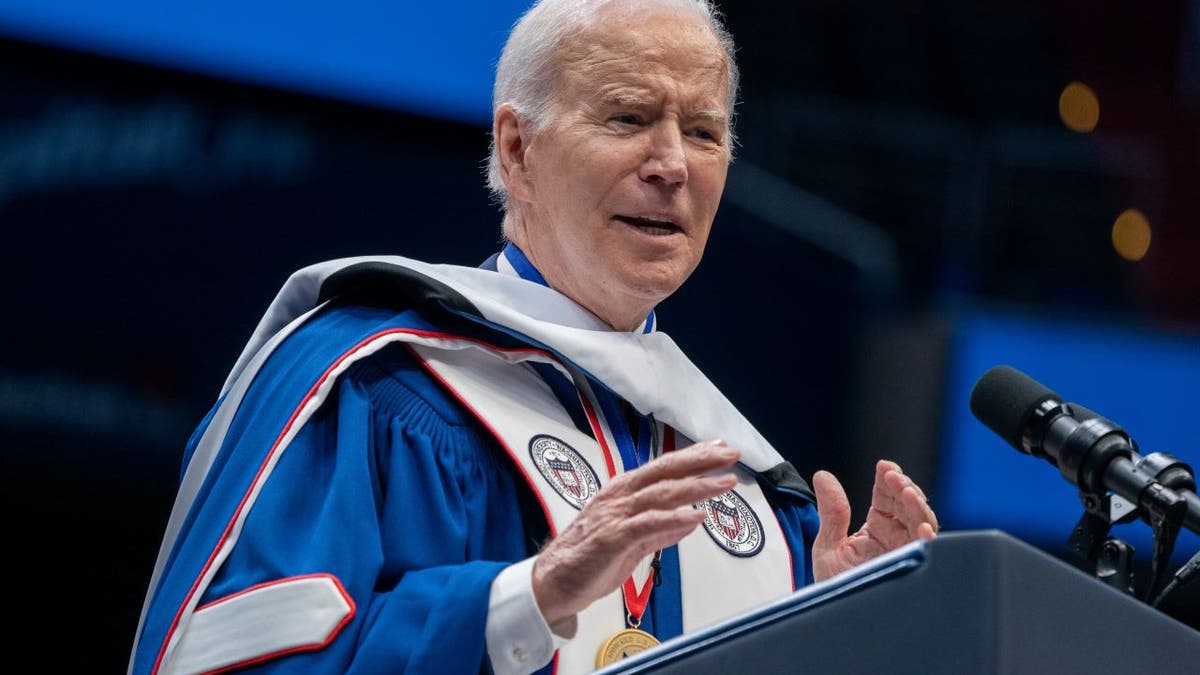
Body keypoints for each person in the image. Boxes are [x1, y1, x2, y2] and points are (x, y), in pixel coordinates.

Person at [128, 1, 938, 673]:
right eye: (628, 116)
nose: (672, 165)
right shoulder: (370, 384)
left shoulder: (751, 492)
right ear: (518, 151)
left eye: (703, 131)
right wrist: (527, 598)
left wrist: (833, 623)